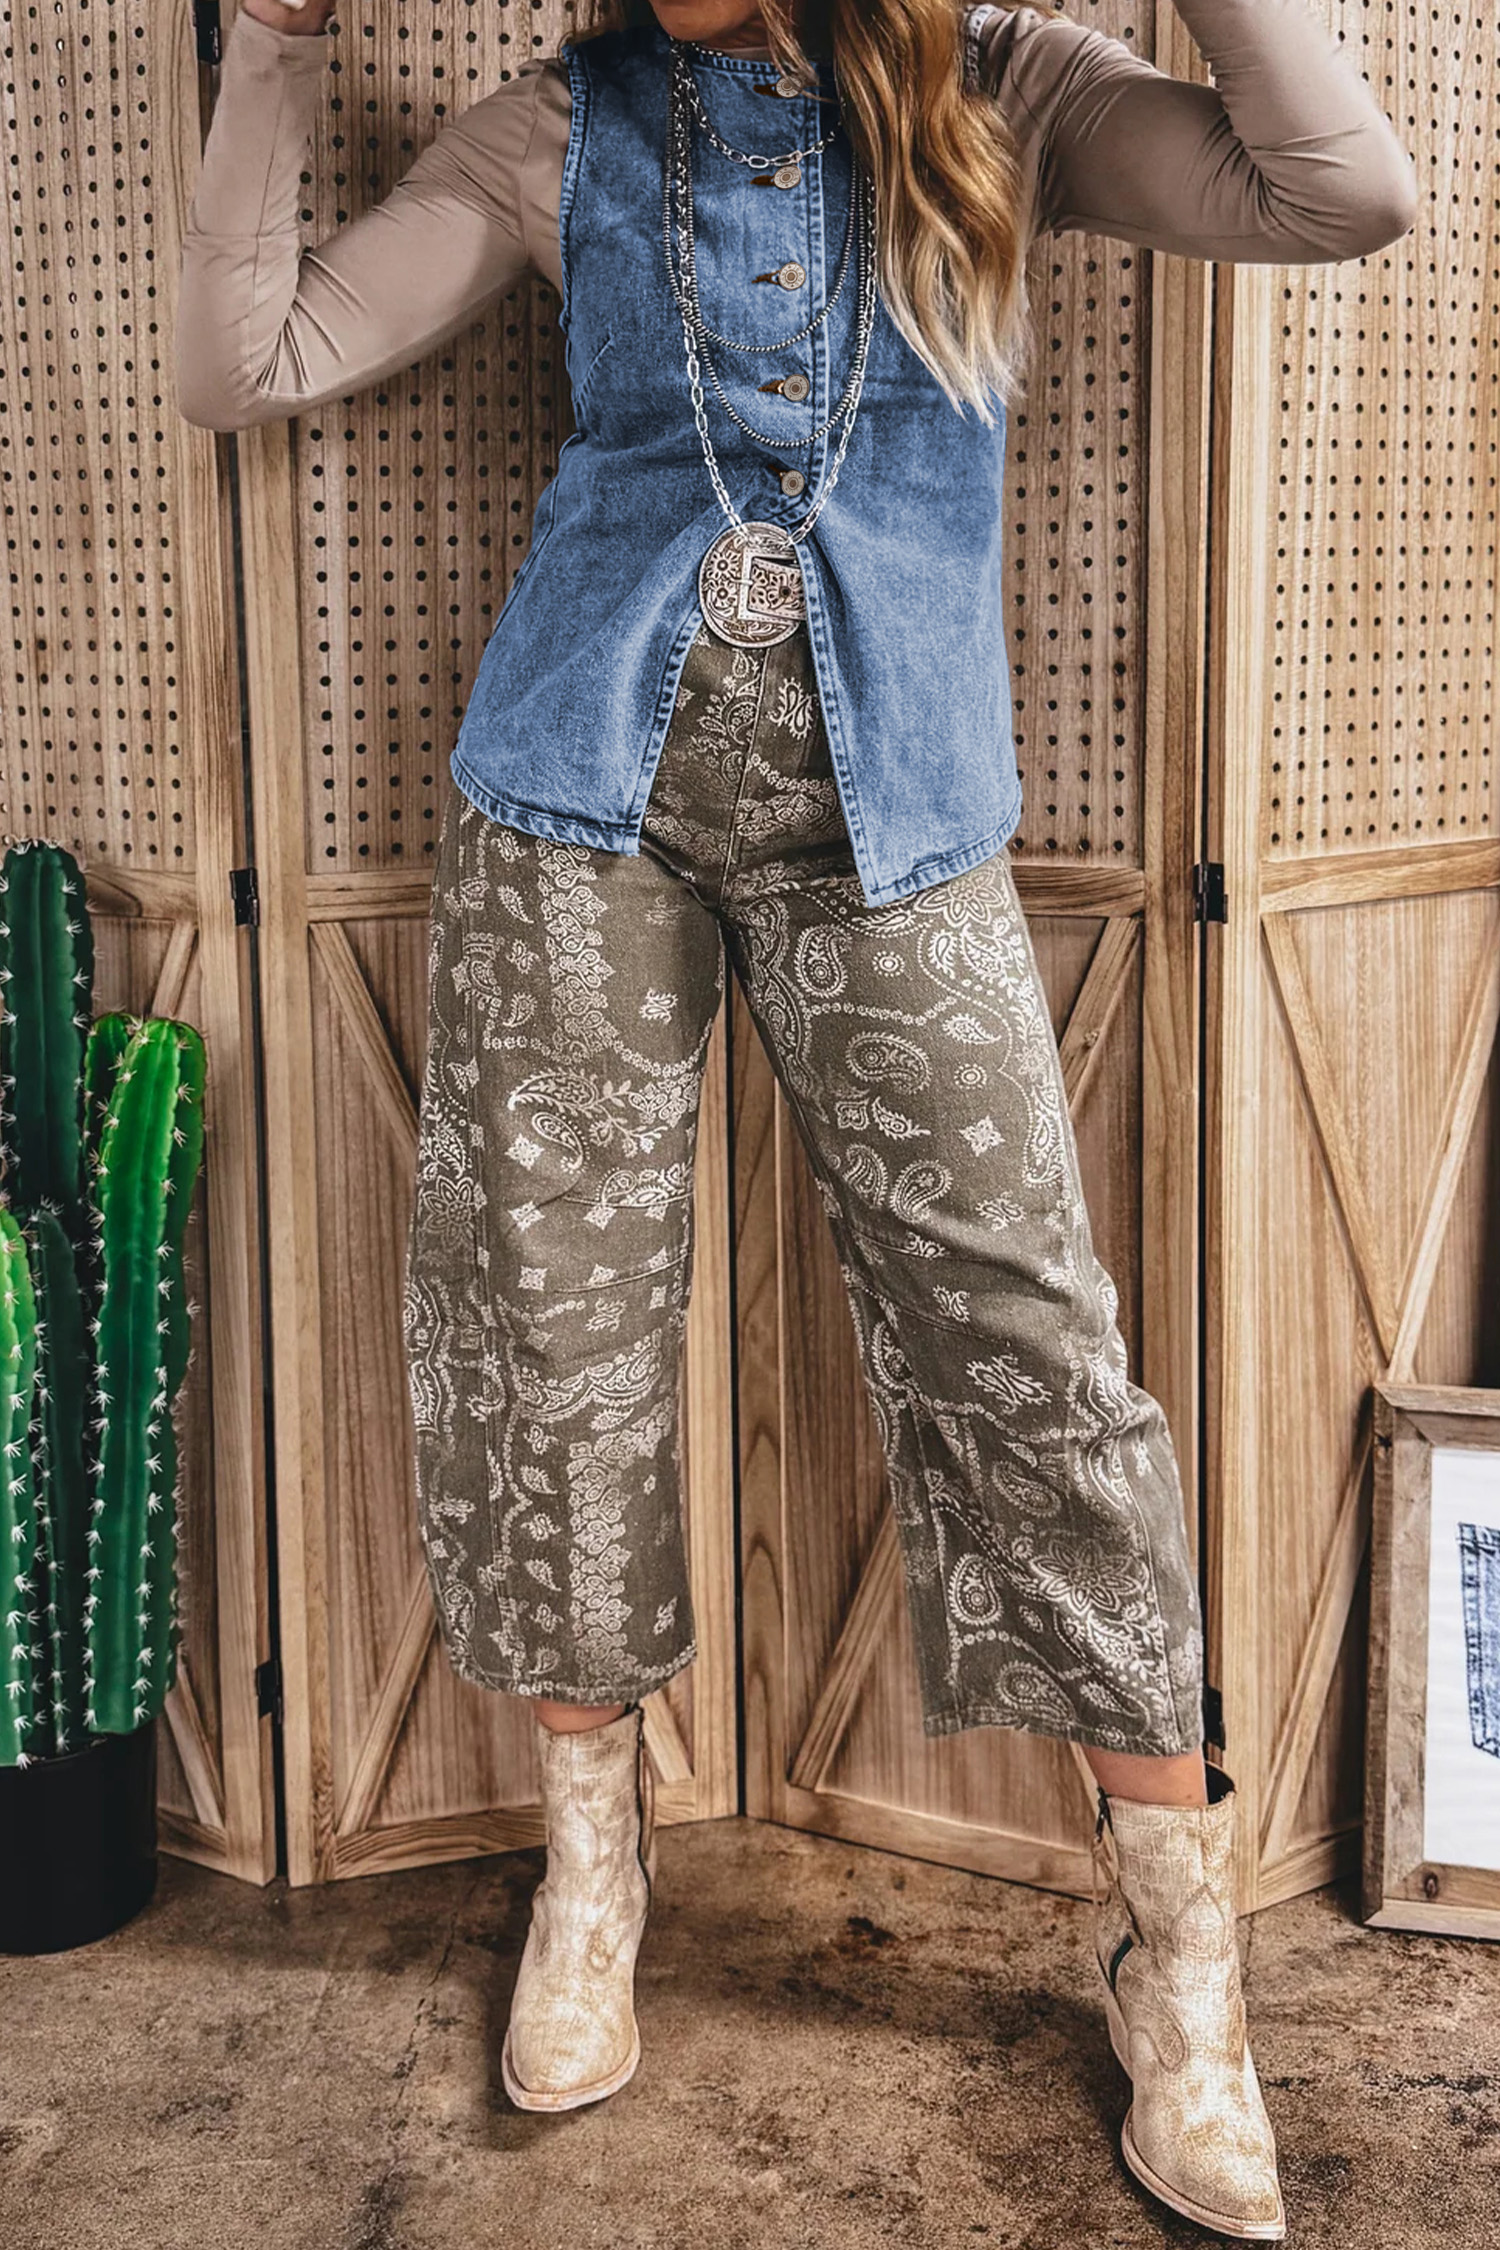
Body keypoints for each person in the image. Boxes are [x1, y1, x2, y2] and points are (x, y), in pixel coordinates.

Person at [176, 0, 1416, 2234]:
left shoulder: (1010, 95)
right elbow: (245, 357)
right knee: (552, 1335)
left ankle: (1184, 1949)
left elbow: (1342, 193)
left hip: (902, 816)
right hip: (575, 802)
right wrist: (265, 41)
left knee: (1025, 1342)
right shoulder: (558, 127)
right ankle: (593, 1870)